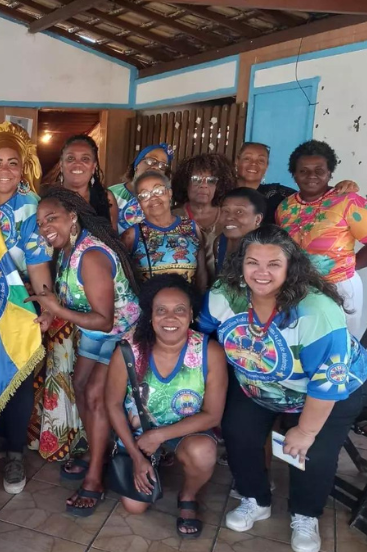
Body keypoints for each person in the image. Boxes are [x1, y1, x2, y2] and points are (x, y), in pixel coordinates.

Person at [198, 225, 367, 552]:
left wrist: (304, 432)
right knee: (238, 432)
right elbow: (203, 335)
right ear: (240, 263)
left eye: (273, 263)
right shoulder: (225, 294)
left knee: (312, 453)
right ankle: (255, 499)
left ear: (290, 267)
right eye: (252, 262)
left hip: (329, 392)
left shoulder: (316, 311)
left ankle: (305, 514)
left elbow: (327, 381)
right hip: (259, 386)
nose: (261, 272)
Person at [27, 187, 140, 516]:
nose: (45, 226)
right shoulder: (66, 248)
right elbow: (66, 298)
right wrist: (50, 311)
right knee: (79, 387)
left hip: (121, 333)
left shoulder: (90, 255)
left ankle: (94, 479)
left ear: (73, 216)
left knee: (93, 394)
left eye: (53, 218)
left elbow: (105, 320)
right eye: (40, 222)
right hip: (95, 332)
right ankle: (97, 451)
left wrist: (57, 311)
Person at [105, 274, 227, 538]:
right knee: (135, 507)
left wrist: (159, 436)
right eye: (162, 310)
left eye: (179, 310)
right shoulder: (129, 350)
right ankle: (150, 462)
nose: (170, 318)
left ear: (191, 313)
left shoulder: (209, 352)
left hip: (185, 431)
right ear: (150, 315)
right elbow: (113, 404)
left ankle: (188, 495)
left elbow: (212, 414)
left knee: (203, 452)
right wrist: (138, 457)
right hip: (138, 436)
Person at [0, 121, 52, 494]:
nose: (5, 171)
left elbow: (36, 262)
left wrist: (46, 304)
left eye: (13, 163)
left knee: (18, 377)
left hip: (17, 307)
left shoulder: (30, 207)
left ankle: (16, 454)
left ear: (23, 168)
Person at [276, 140, 367, 337]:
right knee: (304, 341)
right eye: (304, 171)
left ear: (330, 172)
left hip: (340, 286)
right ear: (294, 174)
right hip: (299, 286)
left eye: (319, 170)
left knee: (341, 343)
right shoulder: (285, 208)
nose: (311, 176)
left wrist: (352, 265)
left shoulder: (347, 201)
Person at [122, 170, 207, 292]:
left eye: (158, 191)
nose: (153, 198)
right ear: (139, 202)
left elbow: (201, 275)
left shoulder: (192, 228)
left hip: (187, 307)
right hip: (148, 308)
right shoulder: (131, 235)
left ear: (169, 193)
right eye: (144, 195)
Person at [235, 142, 356, 225]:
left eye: (261, 160)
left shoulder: (279, 195)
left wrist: (338, 189)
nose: (254, 164)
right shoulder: (223, 191)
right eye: (247, 158)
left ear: (266, 166)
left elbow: (312, 197)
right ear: (237, 161)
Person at [171, 153, 237, 280]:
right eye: (196, 179)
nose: (204, 185)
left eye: (211, 180)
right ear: (185, 183)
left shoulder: (229, 217)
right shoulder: (172, 216)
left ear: (219, 185)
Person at [109, 144, 173, 234]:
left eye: (162, 165)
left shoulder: (165, 199)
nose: (156, 167)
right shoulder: (112, 194)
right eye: (150, 161)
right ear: (136, 165)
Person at [55, 134, 116, 223]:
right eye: (71, 158)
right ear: (61, 165)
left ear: (93, 166)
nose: (77, 164)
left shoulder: (106, 198)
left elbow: (113, 236)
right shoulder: (49, 198)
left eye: (85, 159)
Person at [214, 187, 266, 274]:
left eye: (239, 212)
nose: (229, 217)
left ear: (257, 219)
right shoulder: (220, 243)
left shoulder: (268, 250)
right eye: (225, 211)